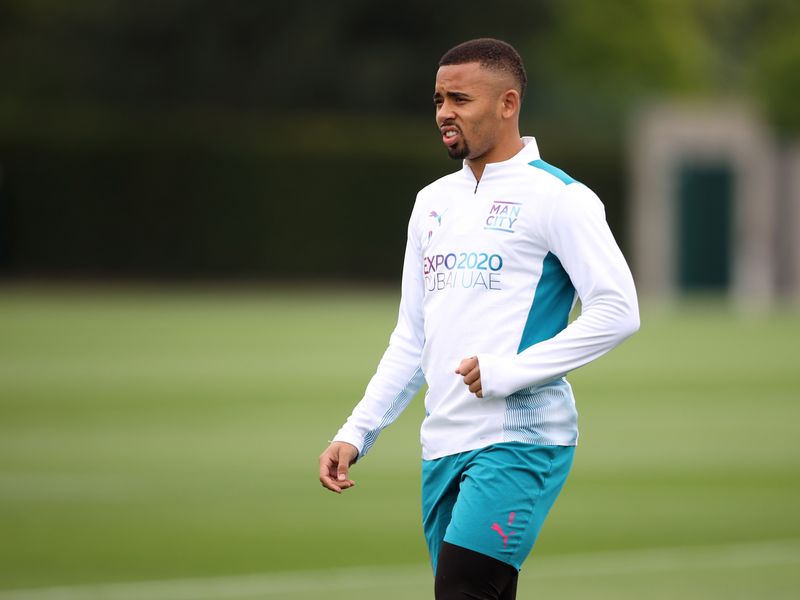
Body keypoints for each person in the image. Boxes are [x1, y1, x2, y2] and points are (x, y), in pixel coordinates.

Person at [319, 38, 639, 600]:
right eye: (439, 99)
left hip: (521, 437)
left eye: (460, 98)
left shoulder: (560, 198)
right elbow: (412, 335)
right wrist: (358, 430)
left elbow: (618, 310)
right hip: (441, 442)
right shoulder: (431, 202)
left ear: (507, 104)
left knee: (463, 592)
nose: (444, 112)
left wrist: (510, 371)